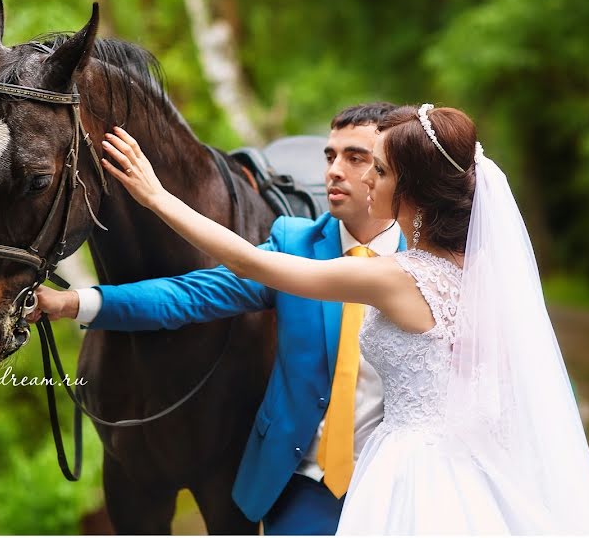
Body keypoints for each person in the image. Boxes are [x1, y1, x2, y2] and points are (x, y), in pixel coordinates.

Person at [97, 103, 589, 534]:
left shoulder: (395, 277)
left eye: (380, 171)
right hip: (468, 469)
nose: (364, 179)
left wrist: (156, 196)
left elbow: (251, 263)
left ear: (409, 192)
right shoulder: (478, 274)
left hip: (410, 473)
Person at [34, 103, 404, 535]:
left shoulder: (432, 263)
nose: (334, 171)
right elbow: (188, 296)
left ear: (393, 170)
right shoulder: (294, 244)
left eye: (355, 157)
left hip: (400, 481)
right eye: (329, 156)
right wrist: (75, 302)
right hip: (306, 487)